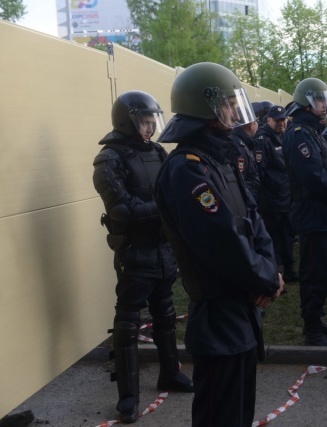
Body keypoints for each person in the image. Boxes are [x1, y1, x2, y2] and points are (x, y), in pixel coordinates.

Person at [154, 62, 284, 426]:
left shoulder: (219, 160)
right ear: (205, 108)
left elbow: (254, 220)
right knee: (219, 416)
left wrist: (269, 274)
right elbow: (220, 243)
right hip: (218, 315)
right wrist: (263, 279)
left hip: (241, 310)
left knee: (239, 412)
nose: (233, 111)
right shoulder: (188, 168)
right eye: (227, 103)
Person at [92, 90, 193, 423]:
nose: (150, 128)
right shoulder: (110, 158)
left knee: (165, 314)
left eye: (153, 122)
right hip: (135, 252)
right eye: (146, 122)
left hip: (163, 250)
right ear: (129, 120)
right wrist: (166, 211)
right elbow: (121, 210)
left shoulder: (158, 153)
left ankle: (170, 372)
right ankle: (128, 398)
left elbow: (173, 189)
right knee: (127, 325)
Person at [282, 77, 327, 346]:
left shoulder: (311, 131)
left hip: (322, 213)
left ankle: (317, 318)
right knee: (313, 273)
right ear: (307, 102)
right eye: (320, 100)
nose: (324, 106)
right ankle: (312, 329)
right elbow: (313, 176)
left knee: (320, 271)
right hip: (312, 214)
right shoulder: (299, 134)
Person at [254, 106, 299, 283]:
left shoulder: (282, 136)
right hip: (271, 201)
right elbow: (259, 173)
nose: (282, 122)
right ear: (269, 120)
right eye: (278, 120)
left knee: (288, 236)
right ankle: (273, 275)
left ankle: (289, 270)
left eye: (284, 119)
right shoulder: (263, 140)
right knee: (272, 239)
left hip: (286, 198)